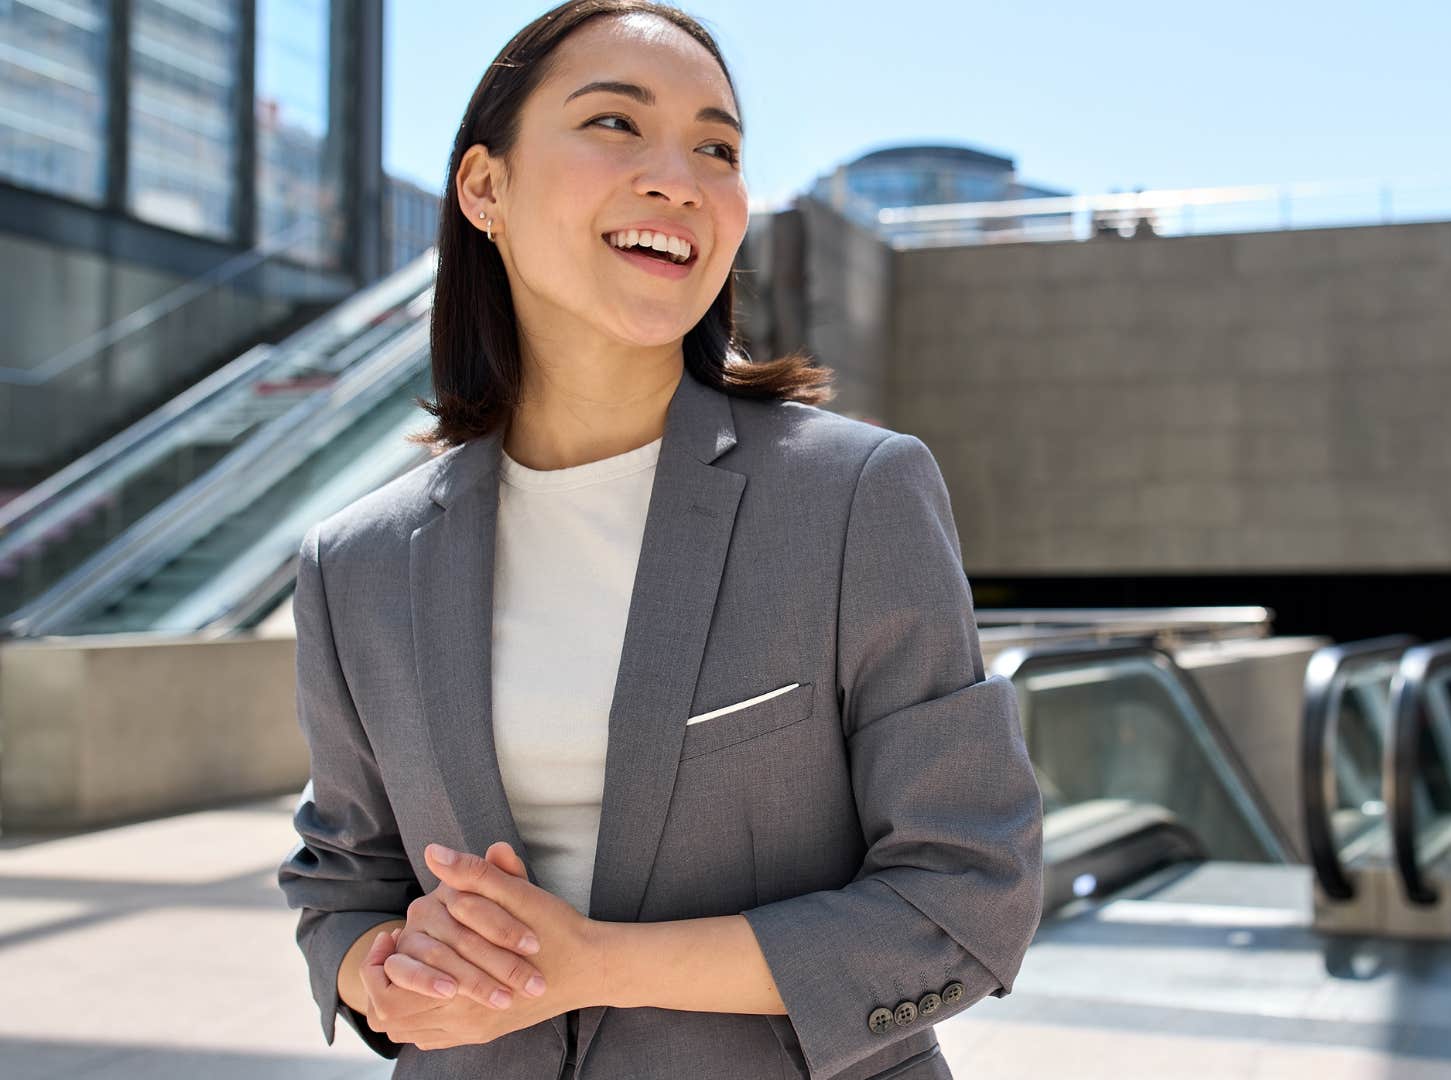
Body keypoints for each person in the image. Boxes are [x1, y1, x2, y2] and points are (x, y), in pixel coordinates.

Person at [274, 3, 1046, 1077]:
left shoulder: (854, 497)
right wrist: (388, 968)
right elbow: (341, 878)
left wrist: (595, 963)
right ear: (485, 188)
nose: (680, 177)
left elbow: (968, 894)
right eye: (614, 124)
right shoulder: (356, 563)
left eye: (717, 147)